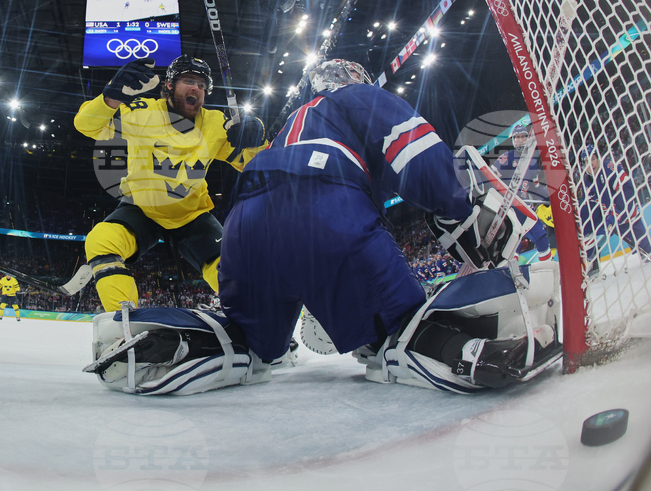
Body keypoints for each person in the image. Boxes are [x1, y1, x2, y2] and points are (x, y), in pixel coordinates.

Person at [84, 59, 561, 395]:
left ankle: (168, 340)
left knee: (250, 344)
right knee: (396, 330)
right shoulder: (356, 98)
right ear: (354, 80)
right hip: (323, 208)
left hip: (244, 229)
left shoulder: (289, 122)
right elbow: (418, 158)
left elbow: (245, 161)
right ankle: (461, 342)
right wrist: (457, 207)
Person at [72, 55, 267, 312]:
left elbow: (254, 166)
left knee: (231, 268)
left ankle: (256, 323)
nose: (196, 88)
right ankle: (124, 322)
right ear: (169, 86)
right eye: (188, 80)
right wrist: (111, 96)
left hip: (191, 214)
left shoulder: (216, 123)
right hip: (143, 209)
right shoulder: (142, 111)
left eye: (201, 84)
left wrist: (256, 138)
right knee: (101, 240)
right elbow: (86, 125)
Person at [577, 145, 650, 275]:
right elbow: (591, 205)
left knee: (646, 251)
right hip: (607, 216)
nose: (590, 164)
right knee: (585, 219)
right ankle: (593, 261)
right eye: (587, 161)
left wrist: (614, 214)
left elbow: (627, 190)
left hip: (626, 214)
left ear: (598, 159)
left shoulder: (609, 167)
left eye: (593, 159)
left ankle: (646, 252)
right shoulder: (586, 180)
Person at [491, 121, 553, 262]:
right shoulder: (508, 156)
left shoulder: (531, 162)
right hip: (510, 209)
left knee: (538, 238)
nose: (520, 140)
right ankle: (515, 276)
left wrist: (549, 198)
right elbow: (491, 176)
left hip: (525, 208)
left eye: (523, 137)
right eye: (517, 137)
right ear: (513, 140)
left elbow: (536, 188)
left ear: (527, 138)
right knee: (515, 245)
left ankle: (547, 271)